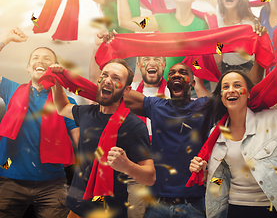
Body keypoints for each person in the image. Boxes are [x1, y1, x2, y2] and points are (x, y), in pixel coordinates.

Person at [189, 50, 277, 218]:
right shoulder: (217, 136)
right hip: (236, 211)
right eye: (225, 87)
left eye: (237, 85)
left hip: (274, 211)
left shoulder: (275, 120)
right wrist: (207, 173)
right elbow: (221, 182)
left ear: (249, 93)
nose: (231, 90)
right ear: (221, 96)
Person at [50, 59, 156, 218]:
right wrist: (56, 80)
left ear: (126, 90)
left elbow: (150, 177)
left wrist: (127, 166)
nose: (107, 80)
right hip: (77, 204)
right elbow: (62, 107)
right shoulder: (86, 113)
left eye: (116, 78)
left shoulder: (133, 126)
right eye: (104, 75)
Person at [0, 28, 79, 218]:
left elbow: (80, 139)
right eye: (35, 58)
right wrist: (6, 39)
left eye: (47, 59)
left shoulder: (67, 102)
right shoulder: (11, 89)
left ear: (56, 67)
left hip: (52, 184)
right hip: (10, 179)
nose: (41, 61)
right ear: (28, 68)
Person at [124, 63, 214, 218]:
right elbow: (116, 93)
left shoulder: (205, 106)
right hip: (158, 203)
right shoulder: (156, 106)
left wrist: (259, 53)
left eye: (183, 72)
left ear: (192, 82)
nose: (177, 75)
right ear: (168, 82)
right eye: (172, 73)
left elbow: (248, 97)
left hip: (194, 203)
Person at [118, 0, 209, 81]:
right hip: (170, 87)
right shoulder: (162, 19)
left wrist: (213, 23)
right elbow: (126, 22)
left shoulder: (205, 23)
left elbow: (217, 55)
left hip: (198, 88)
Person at [126, 55, 169, 218]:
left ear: (164, 64)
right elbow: (98, 84)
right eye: (146, 59)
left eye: (157, 59)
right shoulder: (129, 89)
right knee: (136, 212)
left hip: (167, 164)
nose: (151, 63)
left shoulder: (174, 91)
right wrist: (99, 47)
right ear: (138, 65)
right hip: (138, 162)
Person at [73, 0, 140, 81]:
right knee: (107, 83)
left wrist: (143, 25)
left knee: (125, 84)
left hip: (131, 48)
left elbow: (146, 20)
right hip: (112, 46)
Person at [205, 0, 266, 84]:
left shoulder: (249, 24)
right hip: (225, 69)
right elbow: (218, 58)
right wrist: (213, 28)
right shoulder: (219, 15)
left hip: (246, 70)